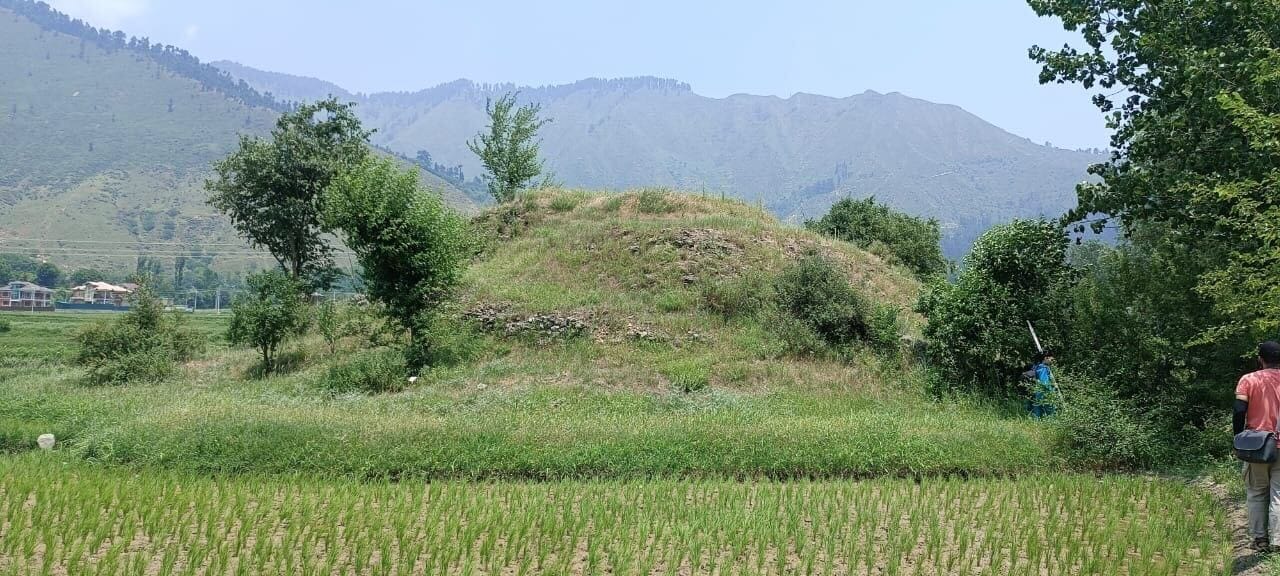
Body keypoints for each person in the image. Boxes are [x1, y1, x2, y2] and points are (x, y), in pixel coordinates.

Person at [1235, 341, 1280, 553]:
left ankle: (1260, 539)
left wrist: (1238, 438)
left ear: (1260, 359)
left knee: (1256, 492)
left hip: (1258, 445)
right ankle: (1278, 541)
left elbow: (1239, 410)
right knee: (1278, 494)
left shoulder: (1249, 380)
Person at [1028, 351, 1057, 419]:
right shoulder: (1043, 368)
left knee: (1038, 413)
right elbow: (1044, 383)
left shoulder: (1036, 366)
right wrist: (1052, 387)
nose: (1052, 361)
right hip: (1045, 393)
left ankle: (1037, 424)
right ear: (1046, 358)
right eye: (1051, 360)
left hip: (1038, 392)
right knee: (1050, 413)